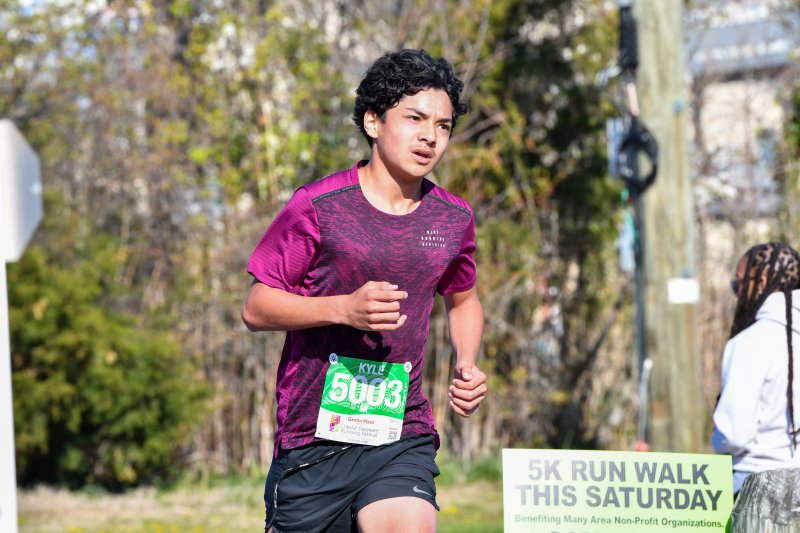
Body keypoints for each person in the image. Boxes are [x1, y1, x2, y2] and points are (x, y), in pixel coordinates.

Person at [242, 49, 487, 533]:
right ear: (373, 121)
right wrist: (343, 309)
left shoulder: (452, 218)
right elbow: (256, 307)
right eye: (414, 118)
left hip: (400, 431)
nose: (430, 136)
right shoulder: (318, 205)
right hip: (312, 438)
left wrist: (467, 362)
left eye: (442, 126)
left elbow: (464, 299)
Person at [711, 242, 800, 495]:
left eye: (738, 284)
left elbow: (734, 435)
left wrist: (716, 438)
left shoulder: (750, 342)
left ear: (760, 283)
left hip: (753, 488)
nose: (737, 292)